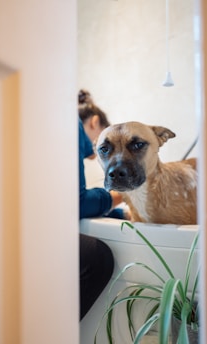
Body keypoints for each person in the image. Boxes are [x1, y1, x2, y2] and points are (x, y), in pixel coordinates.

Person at [78, 89, 128, 320]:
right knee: (98, 257)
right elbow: (77, 203)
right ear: (95, 122)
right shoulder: (73, 127)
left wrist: (117, 213)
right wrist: (123, 195)